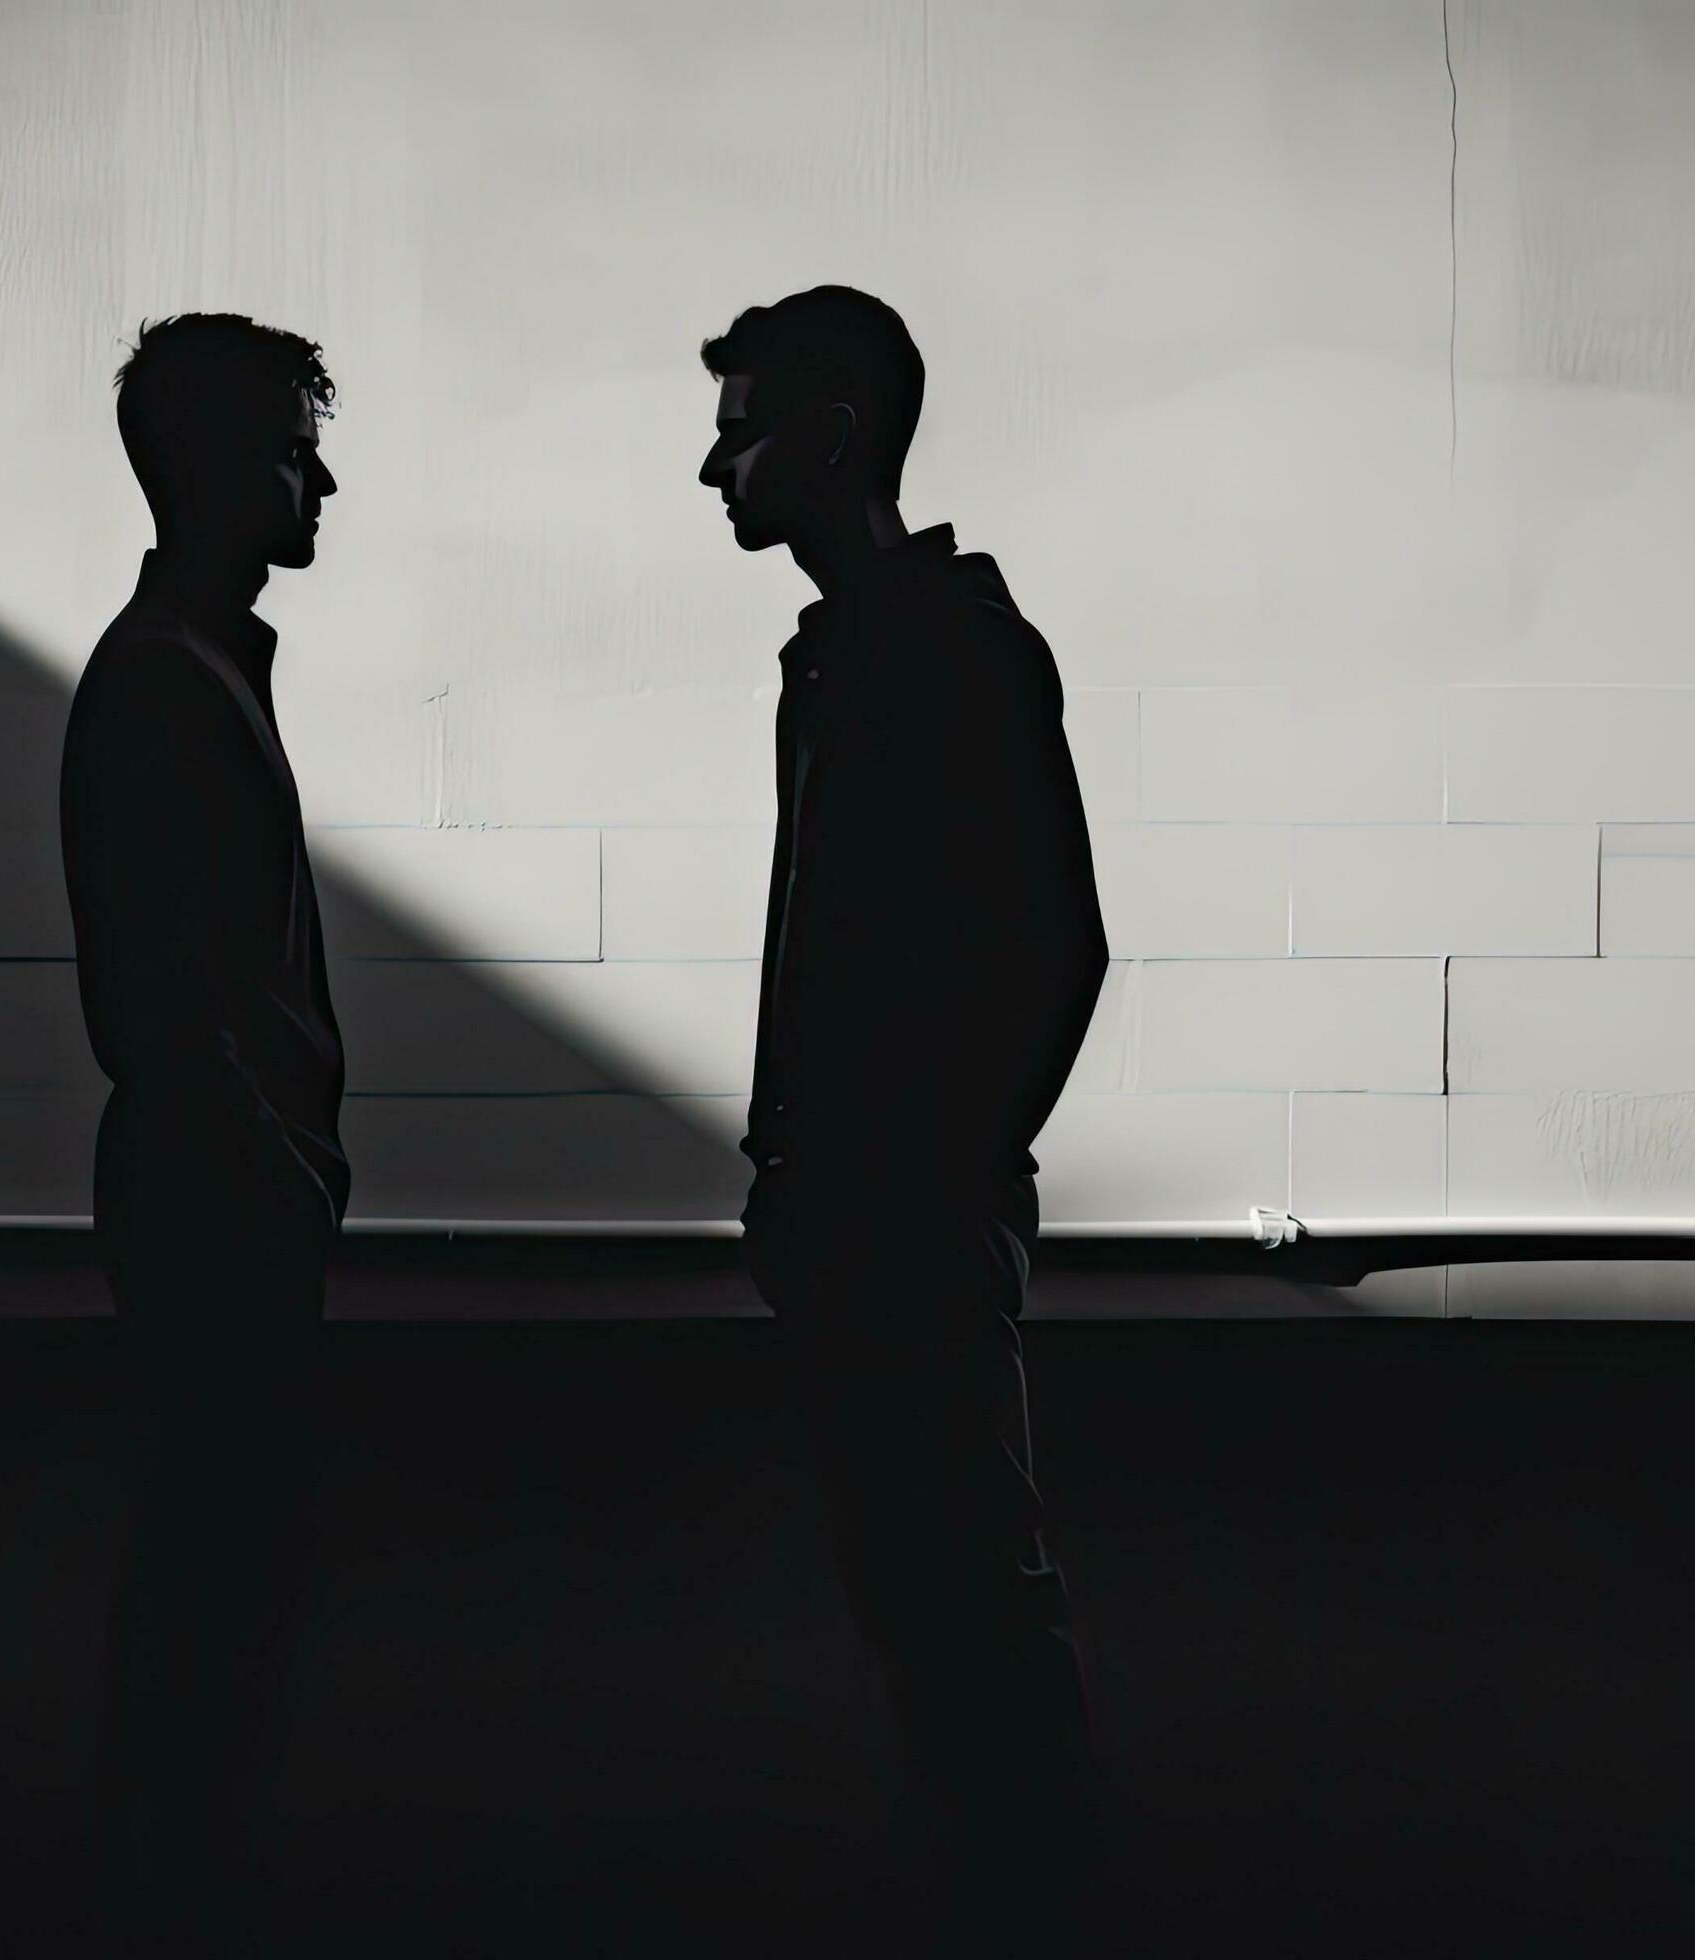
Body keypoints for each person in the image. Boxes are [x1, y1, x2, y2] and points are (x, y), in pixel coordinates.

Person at [694, 285, 1113, 1948]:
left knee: (959, 1576)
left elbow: (1056, 945)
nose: (709, 465)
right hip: (869, 1202)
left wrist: (936, 1163)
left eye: (739, 428)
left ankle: (1036, 1888)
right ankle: (1003, 1875)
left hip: (903, 1205)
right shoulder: (863, 648)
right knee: (921, 1572)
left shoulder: (944, 651)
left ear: (835, 435)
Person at [59, 310, 349, 1954]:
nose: (326, 480)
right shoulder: (170, 682)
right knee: (212, 1576)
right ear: (232, 467)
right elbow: (171, 1005)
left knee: (209, 1562)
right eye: (299, 448)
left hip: (220, 1191)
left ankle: (171, 1870)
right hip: (219, 1202)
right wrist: (286, 1159)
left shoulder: (182, 663)